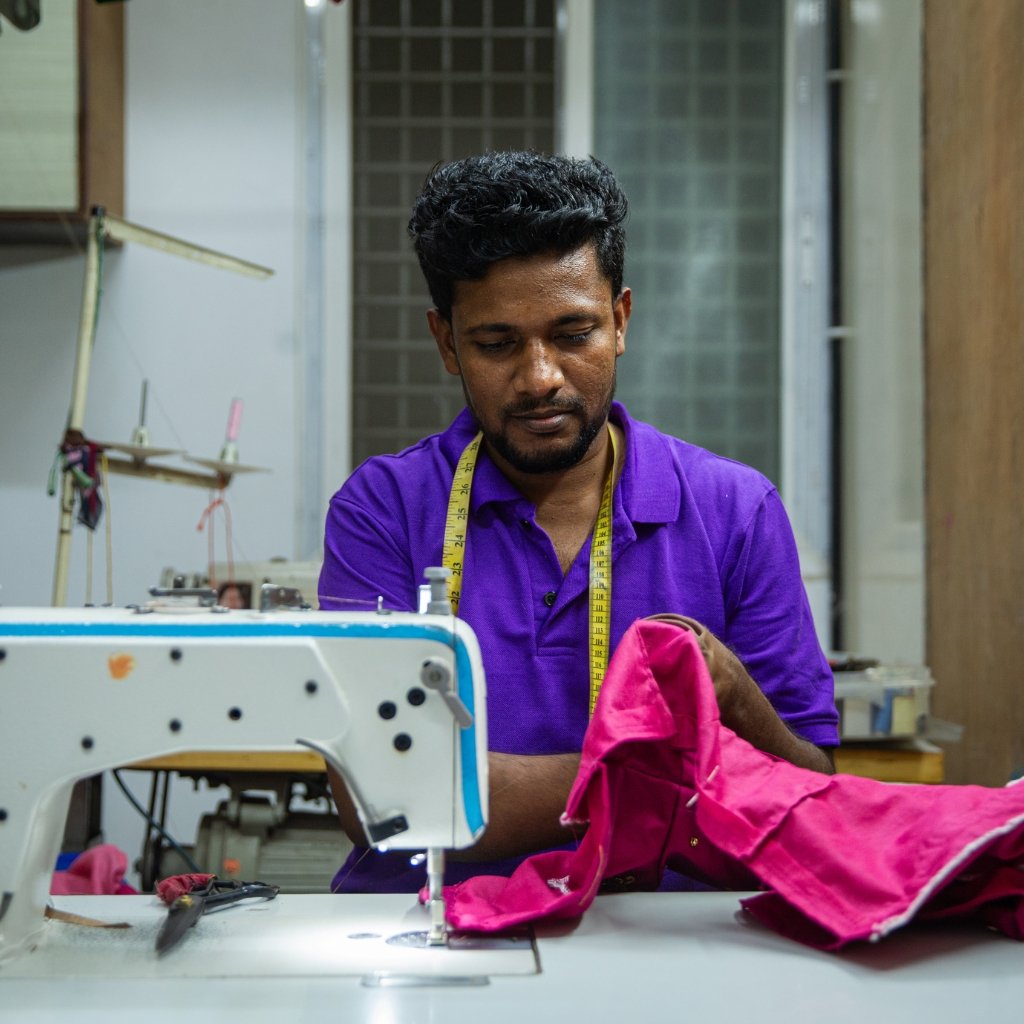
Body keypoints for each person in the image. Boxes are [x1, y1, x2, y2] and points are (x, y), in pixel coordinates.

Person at [319, 151, 839, 893]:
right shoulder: (382, 512)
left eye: (573, 334)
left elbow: (813, 797)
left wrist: (738, 701)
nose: (540, 378)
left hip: (667, 942)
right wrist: (665, 771)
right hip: (433, 930)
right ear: (445, 342)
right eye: (497, 344)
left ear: (620, 321)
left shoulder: (736, 512)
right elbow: (381, 797)